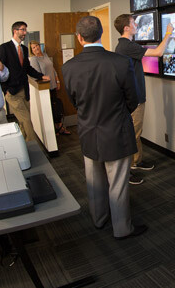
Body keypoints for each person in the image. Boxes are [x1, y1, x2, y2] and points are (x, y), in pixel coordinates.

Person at [62, 16, 146, 239]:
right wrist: (117, 115)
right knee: (117, 184)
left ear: (80, 38)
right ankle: (122, 228)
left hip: (88, 132)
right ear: (101, 34)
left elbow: (74, 102)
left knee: (94, 182)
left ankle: (99, 220)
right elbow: (133, 99)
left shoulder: (69, 67)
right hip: (117, 132)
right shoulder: (120, 62)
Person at [113, 14, 174, 185]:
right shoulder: (126, 46)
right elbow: (158, 52)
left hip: (136, 95)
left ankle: (137, 161)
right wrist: (168, 33)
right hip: (134, 98)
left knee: (136, 132)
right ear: (126, 27)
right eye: (133, 23)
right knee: (132, 133)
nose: (136, 25)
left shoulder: (125, 45)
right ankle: (128, 169)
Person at [0, 21, 49, 142]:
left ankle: (23, 146)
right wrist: (6, 91)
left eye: (25, 30)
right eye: (23, 30)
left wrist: (41, 76)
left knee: (23, 121)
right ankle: (34, 148)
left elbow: (28, 69)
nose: (25, 32)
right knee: (27, 121)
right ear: (15, 31)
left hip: (24, 91)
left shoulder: (25, 49)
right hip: (12, 93)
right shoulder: (4, 48)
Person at [28, 40, 70, 135]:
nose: (36, 48)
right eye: (33, 47)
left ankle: (59, 127)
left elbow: (53, 69)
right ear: (31, 50)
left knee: (56, 106)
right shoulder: (34, 59)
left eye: (37, 46)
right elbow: (37, 74)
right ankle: (56, 129)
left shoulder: (45, 55)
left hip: (53, 85)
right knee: (50, 108)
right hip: (45, 88)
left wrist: (57, 80)